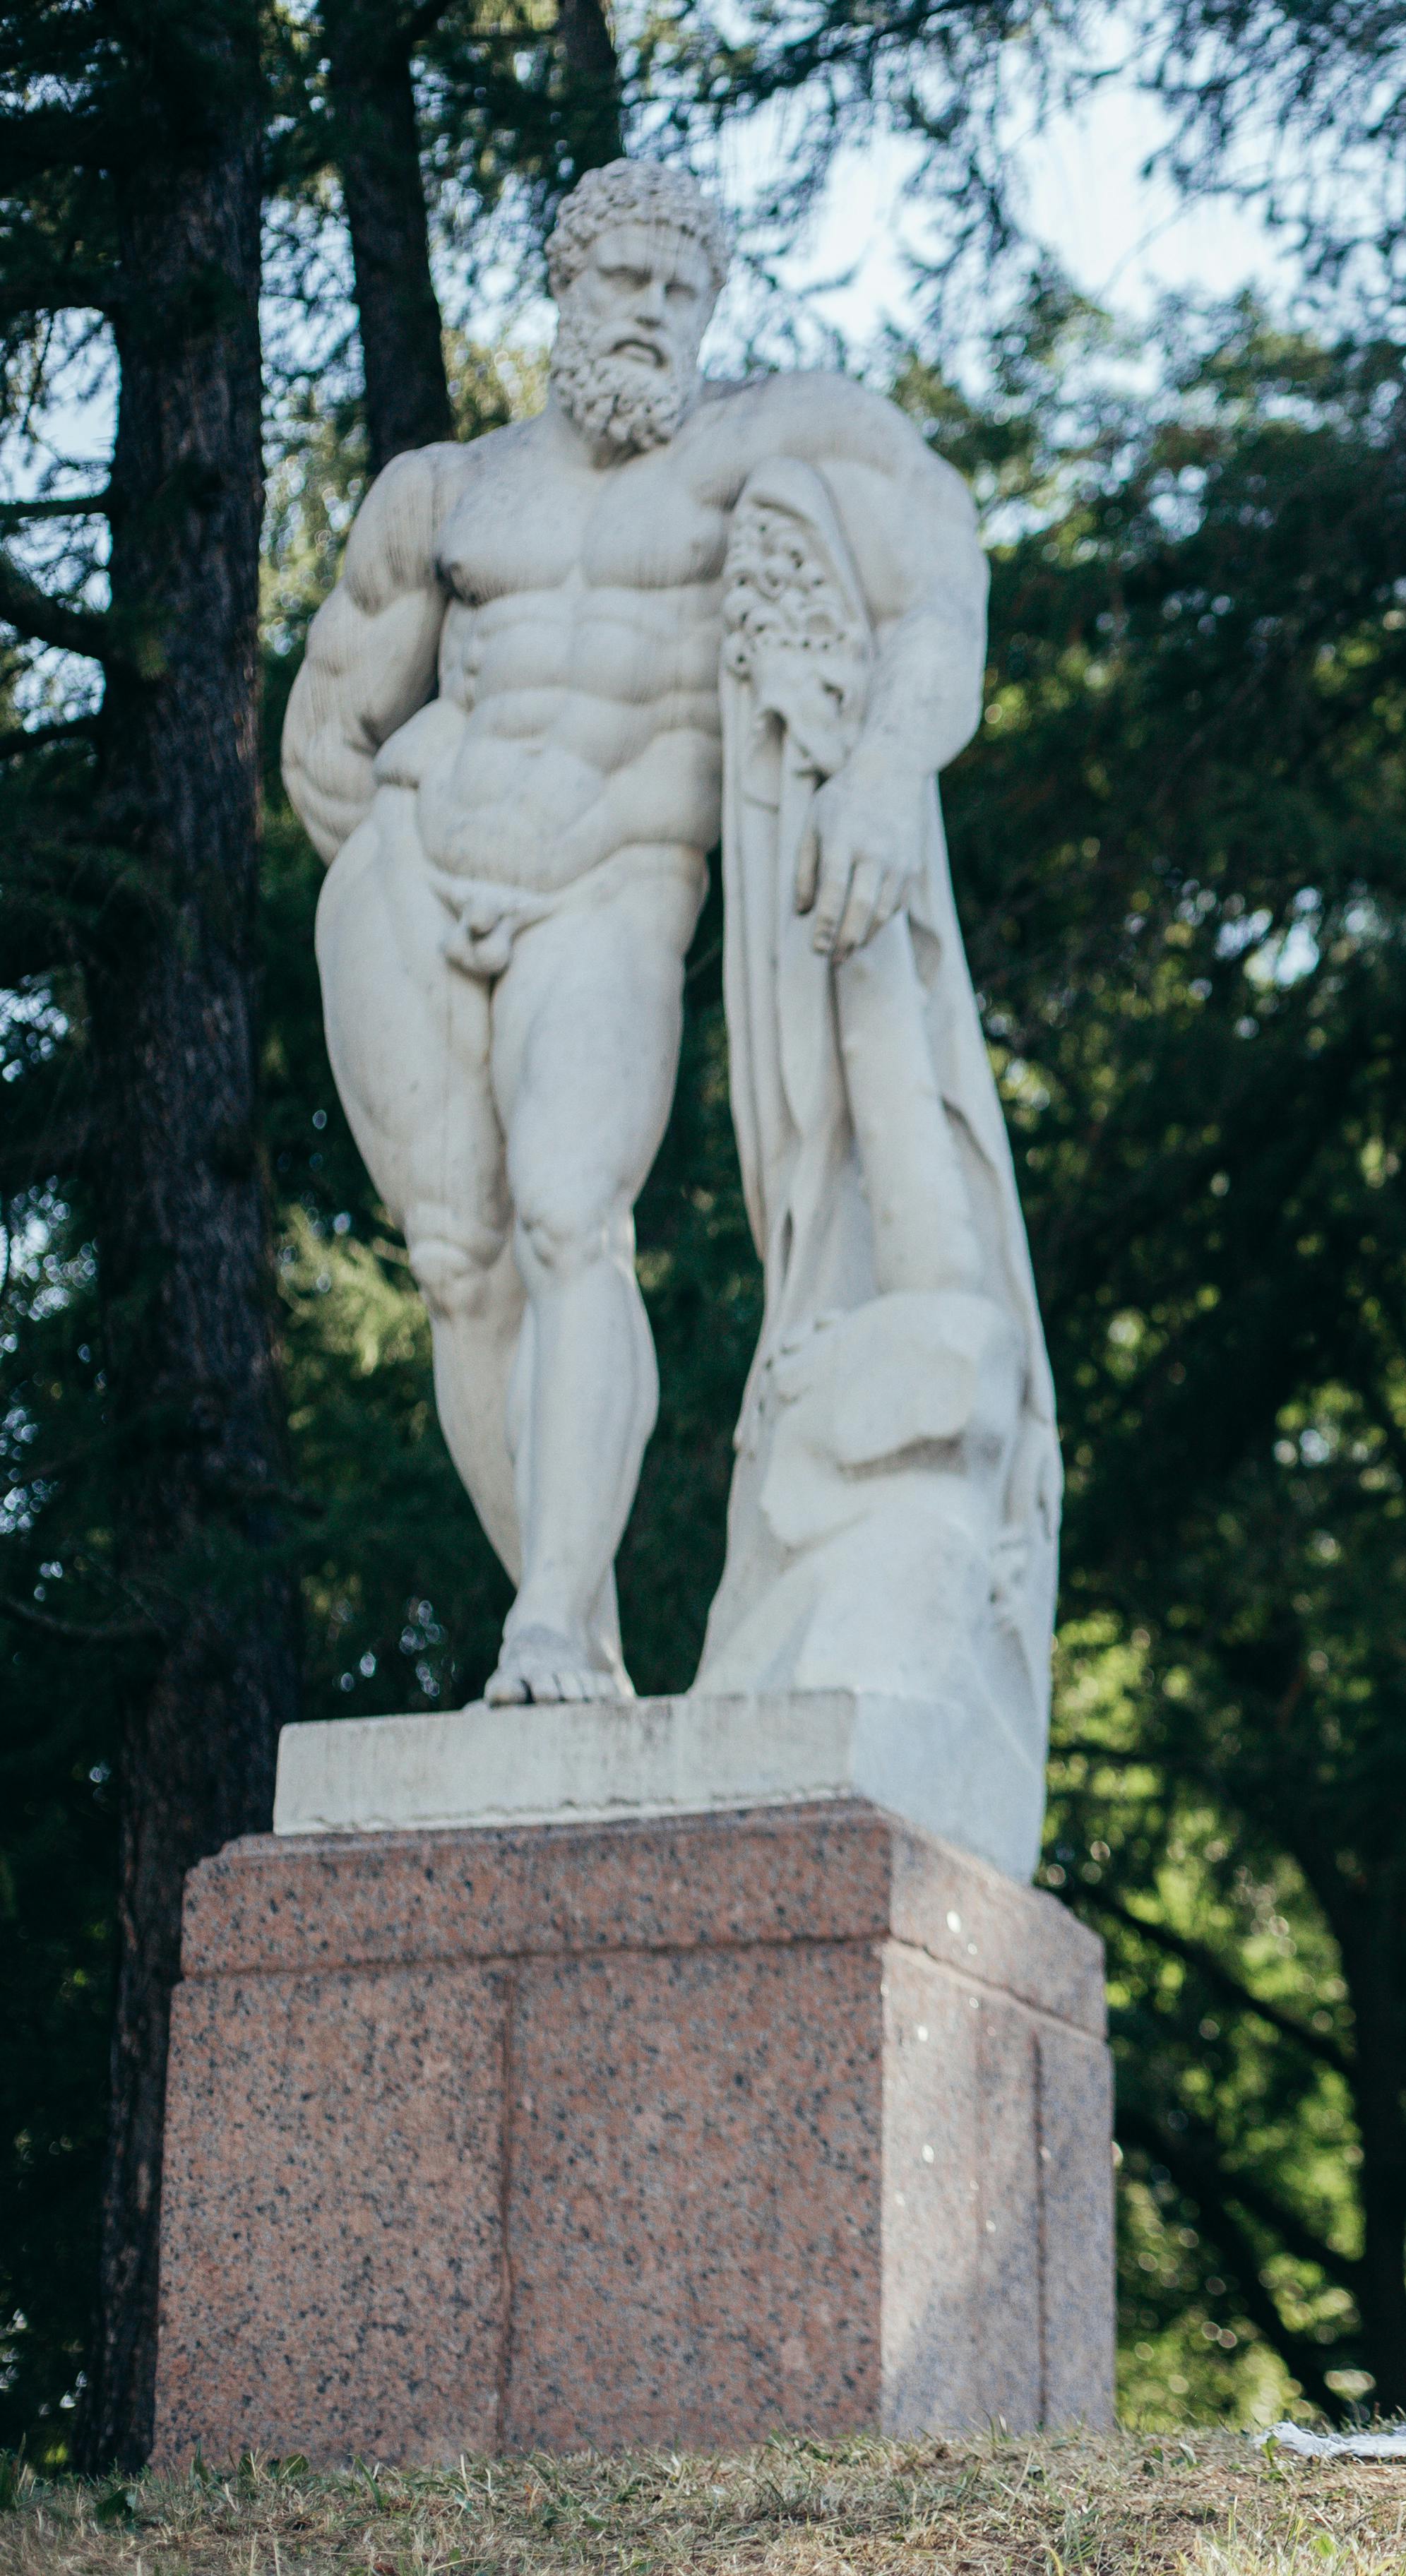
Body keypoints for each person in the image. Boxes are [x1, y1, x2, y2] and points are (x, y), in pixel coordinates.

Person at [284, 159, 999, 1707]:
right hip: (417, 870)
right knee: (463, 1261)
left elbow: (943, 580)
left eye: (683, 287)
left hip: (616, 882)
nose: (653, 309)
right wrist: (388, 871)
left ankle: (543, 1623)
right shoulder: (450, 490)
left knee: (569, 1220)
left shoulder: (768, 437)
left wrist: (883, 768)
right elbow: (329, 727)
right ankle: (576, 1642)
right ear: (566, 284)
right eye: (625, 279)